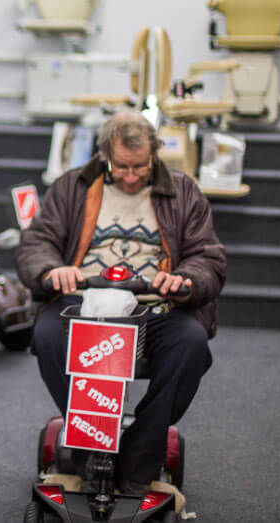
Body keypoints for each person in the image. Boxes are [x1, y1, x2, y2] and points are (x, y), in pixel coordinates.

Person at [16, 111, 225, 494]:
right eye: (121, 166)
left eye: (140, 166)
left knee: (190, 344)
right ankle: (88, 446)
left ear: (155, 155)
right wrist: (51, 270)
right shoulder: (71, 188)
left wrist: (185, 280)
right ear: (104, 157)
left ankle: (138, 458)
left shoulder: (184, 191)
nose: (130, 176)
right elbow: (37, 243)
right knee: (46, 336)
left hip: (155, 310)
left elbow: (207, 256)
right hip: (80, 307)